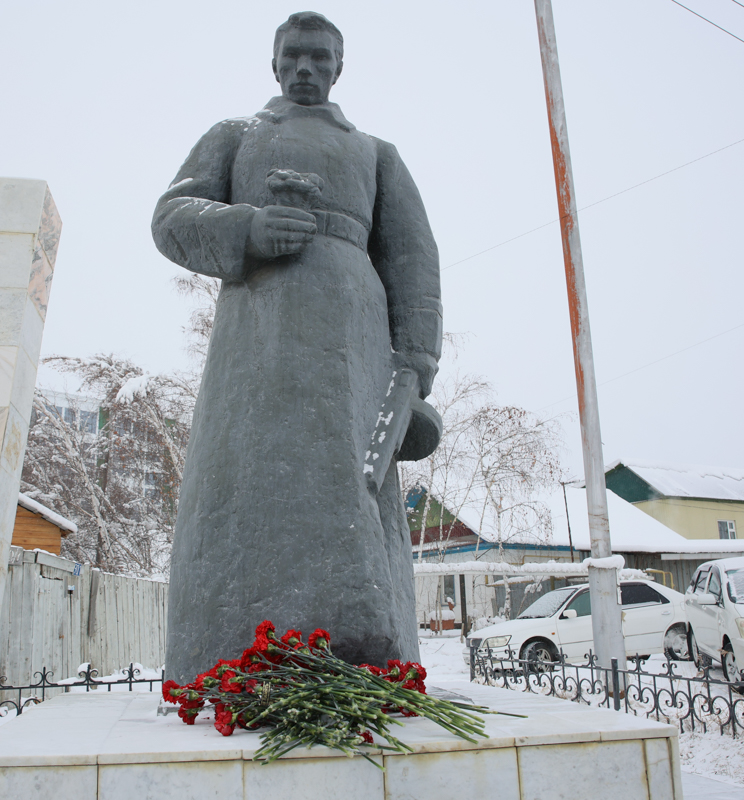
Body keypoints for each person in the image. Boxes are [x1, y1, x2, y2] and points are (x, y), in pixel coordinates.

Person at [152, 11, 442, 682]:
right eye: (295, 57)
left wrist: (415, 364)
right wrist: (249, 226)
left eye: (320, 58)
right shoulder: (235, 136)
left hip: (353, 345)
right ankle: (228, 654)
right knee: (244, 477)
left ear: (339, 67)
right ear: (275, 63)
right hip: (256, 338)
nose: (307, 68)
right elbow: (171, 217)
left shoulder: (374, 153)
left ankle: (359, 647)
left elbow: (413, 261)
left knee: (347, 489)